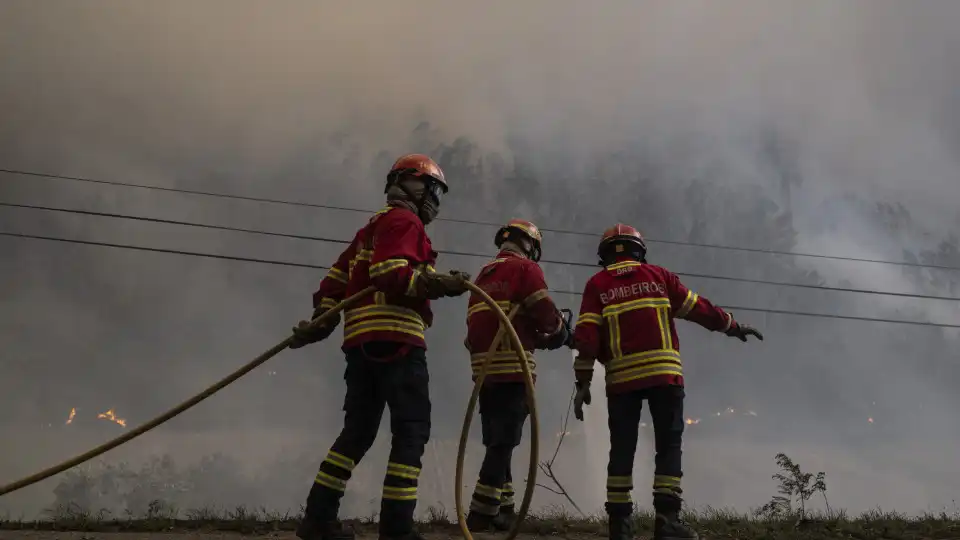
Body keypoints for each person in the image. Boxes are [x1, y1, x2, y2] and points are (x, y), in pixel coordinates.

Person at [289, 154, 472, 540]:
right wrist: (440, 284)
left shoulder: (367, 231)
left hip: (360, 346)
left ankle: (318, 519)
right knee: (411, 432)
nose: (435, 200)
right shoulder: (405, 222)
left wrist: (322, 321)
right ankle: (397, 528)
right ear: (413, 185)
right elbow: (390, 274)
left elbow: (332, 286)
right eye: (433, 190)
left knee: (356, 433)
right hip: (398, 342)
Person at [572, 224, 763, 540]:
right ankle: (668, 522)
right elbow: (700, 309)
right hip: (665, 376)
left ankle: (619, 527)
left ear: (604, 255)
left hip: (621, 381)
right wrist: (732, 326)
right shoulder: (659, 277)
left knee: (621, 448)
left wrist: (582, 381)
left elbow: (587, 338)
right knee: (668, 446)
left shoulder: (597, 285)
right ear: (639, 251)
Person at [462, 219, 570, 532]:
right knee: (505, 442)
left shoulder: (485, 274)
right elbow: (545, 312)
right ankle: (481, 513)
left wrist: (536, 337)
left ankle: (504, 509)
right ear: (531, 246)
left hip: (484, 371)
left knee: (497, 440)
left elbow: (497, 322)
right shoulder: (525, 270)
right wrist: (561, 332)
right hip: (513, 368)